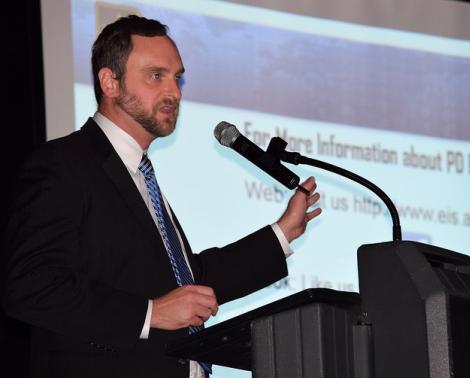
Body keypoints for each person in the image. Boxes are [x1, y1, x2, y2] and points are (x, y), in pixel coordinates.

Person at [1, 15, 321, 378]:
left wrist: (282, 234)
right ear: (110, 82)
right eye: (157, 76)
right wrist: (150, 313)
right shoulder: (64, 165)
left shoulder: (140, 175)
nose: (175, 92)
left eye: (177, 77)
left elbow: (190, 285)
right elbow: (30, 285)